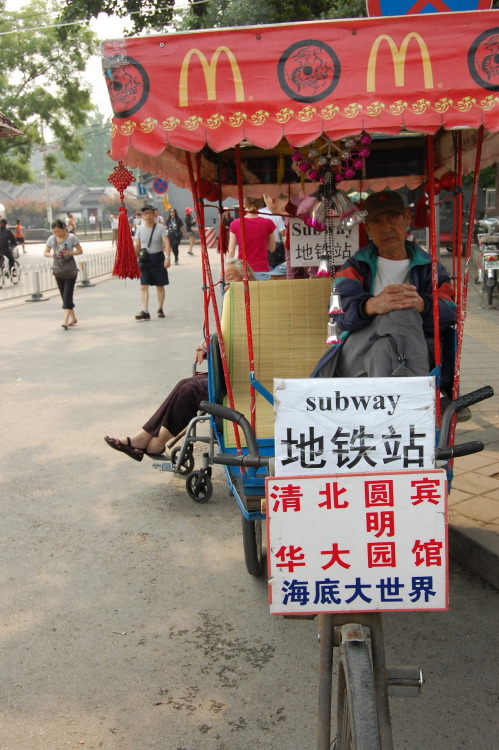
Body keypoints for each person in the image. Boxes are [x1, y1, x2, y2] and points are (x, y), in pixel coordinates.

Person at [104, 258, 256, 461]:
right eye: (222, 280)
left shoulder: (249, 305)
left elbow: (227, 340)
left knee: (189, 390)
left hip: (243, 380)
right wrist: (206, 344)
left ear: (245, 278)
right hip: (236, 372)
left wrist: (204, 345)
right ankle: (145, 439)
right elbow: (224, 337)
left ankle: (152, 443)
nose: (224, 284)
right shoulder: (236, 303)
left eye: (230, 278)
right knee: (185, 384)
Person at [311, 191, 457, 380]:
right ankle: (416, 393)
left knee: (384, 351)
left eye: (392, 217)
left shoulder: (431, 269)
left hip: (410, 355)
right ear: (368, 229)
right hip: (357, 355)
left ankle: (395, 397)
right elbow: (336, 313)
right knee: (401, 312)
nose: (386, 227)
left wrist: (422, 305)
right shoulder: (355, 267)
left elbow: (450, 312)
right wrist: (370, 306)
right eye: (377, 222)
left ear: (406, 219)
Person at [134, 203, 171, 321]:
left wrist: (167, 257)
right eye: (146, 214)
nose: (148, 216)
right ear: (142, 216)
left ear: (154, 215)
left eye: (150, 213)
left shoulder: (160, 228)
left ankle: (160, 308)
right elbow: (137, 244)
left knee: (160, 286)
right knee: (143, 286)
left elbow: (166, 242)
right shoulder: (139, 229)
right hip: (144, 260)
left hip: (158, 258)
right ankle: (144, 311)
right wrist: (134, 261)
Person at [44, 219, 83, 329]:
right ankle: (73, 318)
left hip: (70, 271)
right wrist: (53, 255)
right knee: (64, 296)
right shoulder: (52, 239)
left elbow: (80, 250)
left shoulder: (71, 238)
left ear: (64, 228)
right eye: (54, 232)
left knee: (67, 295)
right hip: (59, 271)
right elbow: (45, 252)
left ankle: (65, 321)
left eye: (59, 231)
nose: (57, 234)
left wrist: (70, 253)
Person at [228, 196, 276, 280]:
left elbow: (231, 252)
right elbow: (272, 248)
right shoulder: (268, 223)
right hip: (262, 269)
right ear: (261, 205)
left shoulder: (235, 224)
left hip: (242, 270)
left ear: (244, 204)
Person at [261, 194, 286, 272]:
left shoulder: (257, 213)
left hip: (260, 249)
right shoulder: (275, 213)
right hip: (275, 250)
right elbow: (283, 233)